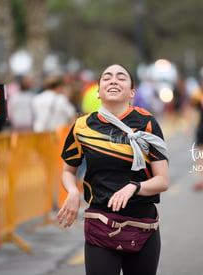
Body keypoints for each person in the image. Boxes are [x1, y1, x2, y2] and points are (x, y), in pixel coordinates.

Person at [57, 64, 169, 275]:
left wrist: (133, 188)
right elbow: (68, 171)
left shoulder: (147, 124)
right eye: (107, 77)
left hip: (143, 226)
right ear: (98, 92)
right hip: (100, 224)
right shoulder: (82, 126)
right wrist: (72, 192)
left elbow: (162, 180)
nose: (113, 80)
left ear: (132, 92)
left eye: (121, 77)